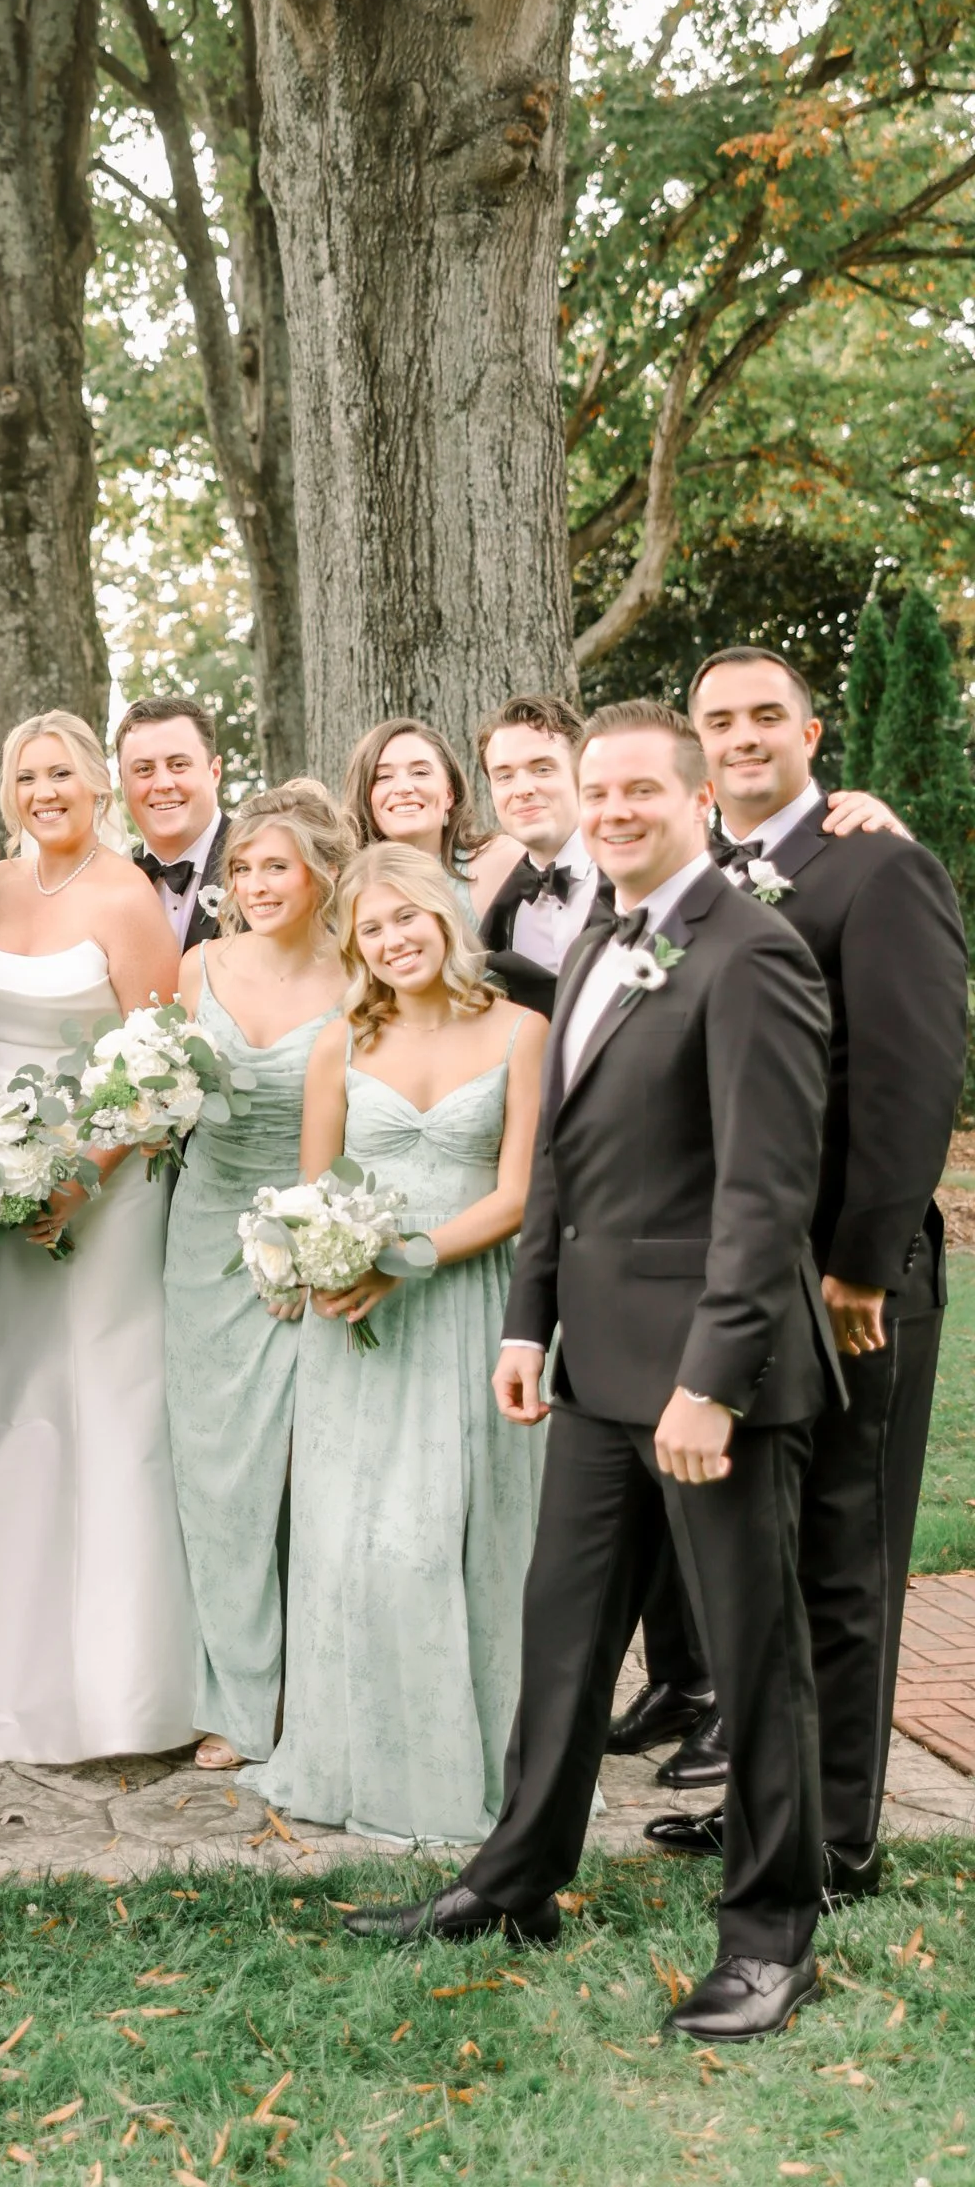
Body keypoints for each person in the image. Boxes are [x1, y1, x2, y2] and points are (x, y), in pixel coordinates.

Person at [349, 702, 838, 2046]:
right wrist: (527, 1325)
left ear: (694, 801)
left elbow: (765, 1192)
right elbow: (562, 1160)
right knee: (560, 1638)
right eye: (598, 791)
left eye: (640, 792)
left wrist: (712, 1382)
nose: (615, 810)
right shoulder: (597, 943)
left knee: (753, 1659)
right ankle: (515, 1882)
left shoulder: (751, 951)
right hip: (592, 1372)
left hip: (711, 1382)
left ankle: (769, 1940)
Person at [638, 647, 966, 1904]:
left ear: (809, 732)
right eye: (717, 719)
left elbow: (908, 1074)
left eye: (764, 715)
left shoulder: (875, 865)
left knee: (840, 1555)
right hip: (737, 1277)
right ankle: (765, 1811)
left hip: (845, 1285)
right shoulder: (689, 881)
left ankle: (838, 1838)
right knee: (759, 1557)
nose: (741, 737)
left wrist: (861, 1264)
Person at [0, 709, 196, 1761]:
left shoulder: (128, 896)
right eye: (25, 776)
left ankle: (118, 1691)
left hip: (104, 1198)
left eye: (61, 773)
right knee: (2, 1392)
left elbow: (164, 1066)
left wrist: (83, 1174)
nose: (44, 792)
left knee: (105, 1400)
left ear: (98, 784)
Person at [254, 846, 548, 1839]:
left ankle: (476, 1767)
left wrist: (408, 1258)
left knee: (456, 1544)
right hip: (358, 1318)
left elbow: (519, 1195)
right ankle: (354, 1762)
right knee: (356, 1544)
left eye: (406, 918)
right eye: (371, 929)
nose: (392, 941)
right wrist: (322, 1261)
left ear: (446, 918)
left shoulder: (522, 1032)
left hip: (468, 1309)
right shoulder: (338, 1042)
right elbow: (313, 1189)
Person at [162, 783, 351, 1771]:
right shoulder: (198, 966)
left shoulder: (362, 973)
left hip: (315, 1236)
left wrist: (311, 1244)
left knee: (312, 1469)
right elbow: (155, 1099)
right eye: (241, 867)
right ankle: (236, 1699)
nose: (255, 884)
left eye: (276, 865)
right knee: (218, 1473)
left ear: (322, 871)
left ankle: (319, 1686)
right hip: (202, 1237)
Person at [474, 693, 605, 1021]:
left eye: (542, 769)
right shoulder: (501, 919)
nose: (522, 789)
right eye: (504, 776)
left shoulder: (640, 877)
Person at [341, 716, 521, 925]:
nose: (403, 788)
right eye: (383, 777)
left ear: (449, 793)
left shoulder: (500, 860)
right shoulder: (344, 887)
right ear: (365, 797)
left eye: (420, 772)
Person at [116, 695, 231, 952]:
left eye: (178, 765)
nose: (163, 784)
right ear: (122, 783)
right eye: (144, 769)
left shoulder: (265, 862)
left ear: (214, 772)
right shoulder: (111, 880)